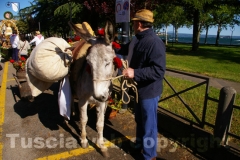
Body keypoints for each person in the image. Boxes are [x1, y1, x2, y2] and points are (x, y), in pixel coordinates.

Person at [121, 9, 166, 160]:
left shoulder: (154, 42)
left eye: (134, 22)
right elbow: (125, 49)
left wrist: (135, 73)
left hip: (149, 91)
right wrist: (108, 44)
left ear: (139, 23)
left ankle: (149, 156)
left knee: (149, 125)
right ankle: (140, 145)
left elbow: (159, 71)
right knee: (140, 120)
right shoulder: (137, 39)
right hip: (140, 89)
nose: (132, 24)